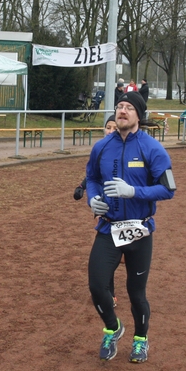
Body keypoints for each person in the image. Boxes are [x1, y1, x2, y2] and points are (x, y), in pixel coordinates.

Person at [85, 91, 176, 363]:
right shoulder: (102, 147)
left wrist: (133, 191)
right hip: (109, 229)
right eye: (119, 106)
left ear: (139, 115)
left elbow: (168, 189)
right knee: (97, 285)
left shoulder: (152, 149)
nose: (122, 111)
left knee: (136, 293)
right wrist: (93, 199)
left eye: (129, 108)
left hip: (139, 230)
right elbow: (92, 178)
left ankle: (140, 339)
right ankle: (113, 328)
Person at [74, 115, 119, 306]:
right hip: (103, 207)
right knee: (106, 251)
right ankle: (109, 292)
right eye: (108, 127)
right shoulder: (100, 149)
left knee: (123, 255)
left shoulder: (126, 149)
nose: (110, 131)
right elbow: (92, 174)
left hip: (125, 209)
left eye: (115, 128)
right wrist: (82, 187)